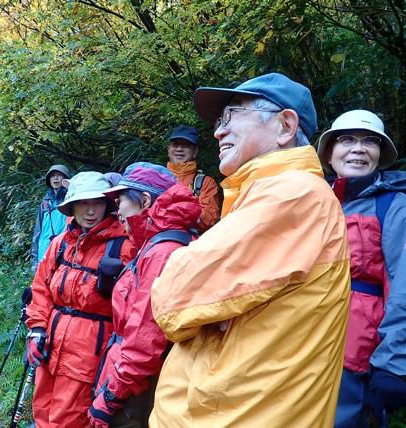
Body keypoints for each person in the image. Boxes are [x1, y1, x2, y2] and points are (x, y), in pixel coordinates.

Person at [149, 73, 351, 427]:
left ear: (285, 126)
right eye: (218, 121)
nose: (217, 132)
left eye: (232, 116)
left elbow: (171, 299)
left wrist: (185, 273)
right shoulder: (264, 196)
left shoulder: (295, 194)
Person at [316, 110, 406, 427]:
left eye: (370, 142)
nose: (358, 148)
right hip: (301, 340)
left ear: (380, 154)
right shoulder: (314, 199)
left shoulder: (396, 205)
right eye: (347, 139)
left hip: (356, 349)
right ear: (329, 152)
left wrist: (393, 363)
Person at [88, 162, 201, 428]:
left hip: (135, 388)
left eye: (121, 201)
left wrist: (110, 397)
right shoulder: (160, 244)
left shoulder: (162, 253)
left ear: (145, 200)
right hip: (134, 378)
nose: (117, 212)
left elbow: (144, 340)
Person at [24, 171, 135, 427]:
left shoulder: (124, 246)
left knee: (69, 419)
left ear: (108, 204)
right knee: (42, 410)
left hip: (89, 351)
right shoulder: (61, 243)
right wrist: (37, 330)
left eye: (97, 202)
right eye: (83, 202)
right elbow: (41, 288)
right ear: (72, 206)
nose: (90, 210)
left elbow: (133, 308)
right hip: (50, 343)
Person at [166, 125, 220, 232]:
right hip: (156, 241)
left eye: (185, 145)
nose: (179, 149)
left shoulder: (206, 182)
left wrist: (174, 211)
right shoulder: (155, 177)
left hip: (189, 243)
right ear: (169, 149)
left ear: (195, 151)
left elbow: (210, 217)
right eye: (175, 144)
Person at [30, 164, 70, 273]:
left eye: (59, 175)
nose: (55, 178)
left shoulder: (71, 201)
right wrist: (34, 260)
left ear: (66, 179)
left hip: (64, 253)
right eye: (52, 176)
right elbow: (37, 233)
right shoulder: (45, 204)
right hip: (44, 253)